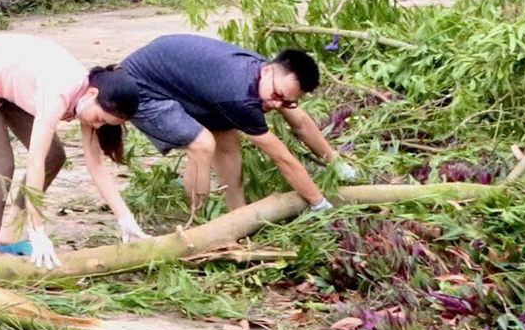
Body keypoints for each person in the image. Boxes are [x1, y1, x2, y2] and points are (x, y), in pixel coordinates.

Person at [0, 33, 146, 269]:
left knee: (55, 156)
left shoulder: (87, 101)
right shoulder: (60, 92)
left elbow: (96, 165)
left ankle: (11, 229)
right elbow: (34, 161)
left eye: (105, 124)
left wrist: (126, 219)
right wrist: (38, 231)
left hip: (13, 81)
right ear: (92, 94)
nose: (97, 126)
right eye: (99, 118)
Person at [117, 34, 354, 215]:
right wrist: (318, 202)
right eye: (276, 95)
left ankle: (238, 214)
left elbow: (300, 121)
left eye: (286, 102)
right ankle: (197, 222)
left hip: (178, 76)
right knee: (202, 145)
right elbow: (283, 159)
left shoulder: (268, 77)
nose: (275, 104)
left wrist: (335, 161)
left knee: (228, 136)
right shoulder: (239, 95)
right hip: (138, 90)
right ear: (268, 70)